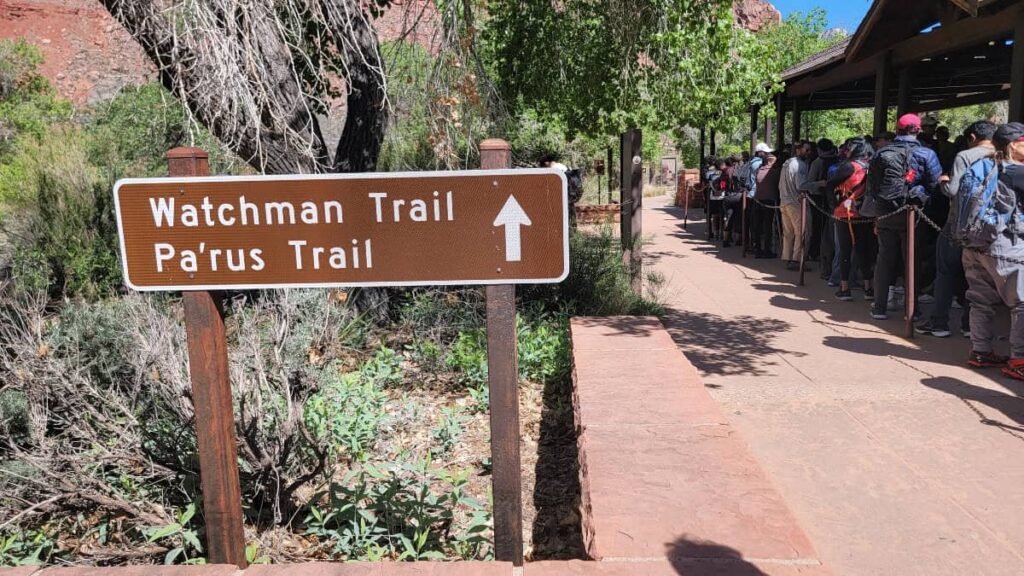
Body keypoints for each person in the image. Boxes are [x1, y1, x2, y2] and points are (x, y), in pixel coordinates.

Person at [916, 120, 996, 338]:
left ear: (972, 137)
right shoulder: (1002, 154)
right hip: (987, 226)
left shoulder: (965, 156)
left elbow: (952, 190)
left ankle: (939, 323)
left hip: (957, 224)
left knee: (945, 271)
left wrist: (943, 181)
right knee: (977, 277)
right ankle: (970, 325)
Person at [960, 122, 1024, 378]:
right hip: (1006, 244)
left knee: (980, 299)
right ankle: (1019, 359)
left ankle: (980, 351)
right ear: (1013, 145)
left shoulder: (980, 166)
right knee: (1022, 302)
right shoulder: (1017, 172)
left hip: (974, 243)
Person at [868, 113, 943, 321]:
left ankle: (879, 306)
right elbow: (935, 185)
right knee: (912, 260)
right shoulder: (926, 153)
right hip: (914, 213)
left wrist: (879, 208)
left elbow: (872, 186)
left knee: (884, 258)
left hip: (886, 212)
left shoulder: (881, 153)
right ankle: (912, 309)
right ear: (918, 130)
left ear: (897, 129)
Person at [830, 138, 876, 301]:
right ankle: (868, 288)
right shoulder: (872, 166)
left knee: (845, 251)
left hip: (846, 213)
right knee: (864, 251)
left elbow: (831, 183)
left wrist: (833, 204)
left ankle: (844, 288)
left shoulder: (850, 166)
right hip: (866, 213)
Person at [801, 139, 843, 273]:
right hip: (837, 199)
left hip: (819, 199)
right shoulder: (840, 160)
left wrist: (819, 184)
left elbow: (808, 183)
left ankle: (818, 255)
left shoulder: (817, 162)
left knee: (819, 229)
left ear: (819, 149)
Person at [780, 141, 812, 270]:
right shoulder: (800, 165)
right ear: (798, 150)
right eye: (807, 150)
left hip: (784, 201)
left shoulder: (786, 163)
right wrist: (819, 183)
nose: (809, 153)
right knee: (803, 232)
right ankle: (797, 260)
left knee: (788, 232)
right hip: (797, 203)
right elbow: (801, 185)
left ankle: (788, 257)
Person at [753, 147, 781, 258]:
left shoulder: (758, 171)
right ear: (770, 161)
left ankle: (758, 249)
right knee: (767, 226)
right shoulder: (774, 172)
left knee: (758, 226)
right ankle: (766, 250)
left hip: (758, 199)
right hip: (769, 200)